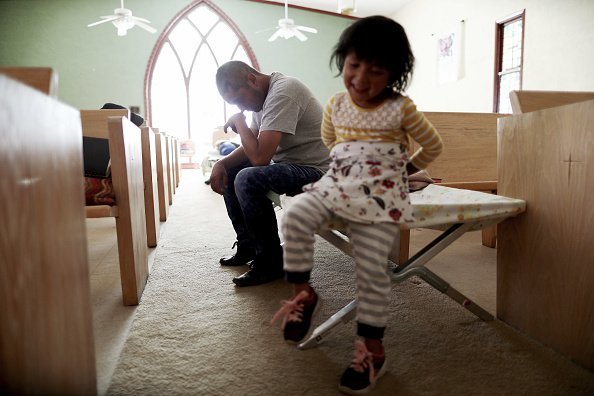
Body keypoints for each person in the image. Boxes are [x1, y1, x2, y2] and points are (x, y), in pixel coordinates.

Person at [271, 16, 443, 394]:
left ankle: (372, 351)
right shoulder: (334, 105)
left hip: (382, 200)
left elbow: (434, 147)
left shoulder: (402, 109)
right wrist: (350, 166)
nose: (361, 80)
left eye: (376, 71)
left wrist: (401, 169)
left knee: (371, 273)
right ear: (342, 61)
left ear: (394, 75)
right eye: (353, 66)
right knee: (295, 213)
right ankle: (304, 292)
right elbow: (330, 142)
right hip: (338, 187)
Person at [212, 61, 331, 287]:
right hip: (292, 166)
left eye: (239, 100)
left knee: (248, 177)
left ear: (252, 80)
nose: (241, 108)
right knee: (234, 170)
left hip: (318, 171)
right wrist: (223, 162)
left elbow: (259, 158)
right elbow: (253, 145)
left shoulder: (284, 91)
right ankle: (248, 245)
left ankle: (270, 262)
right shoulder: (261, 100)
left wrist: (239, 121)